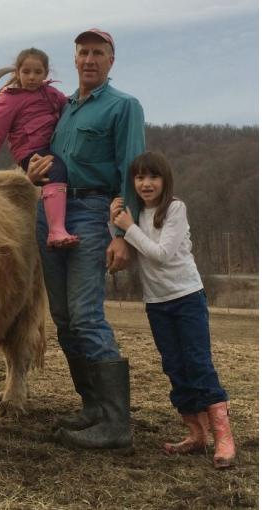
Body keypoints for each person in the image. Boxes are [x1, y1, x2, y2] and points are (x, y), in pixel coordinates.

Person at [26, 28, 145, 449]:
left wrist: (123, 234)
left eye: (98, 53)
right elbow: (49, 161)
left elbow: (131, 171)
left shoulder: (124, 106)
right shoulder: (65, 109)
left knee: (86, 315)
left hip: (94, 213)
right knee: (62, 318)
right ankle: (93, 408)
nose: (89, 59)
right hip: (51, 209)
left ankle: (116, 425)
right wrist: (33, 173)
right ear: (74, 60)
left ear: (111, 61)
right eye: (83, 53)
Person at [111, 151, 236, 469]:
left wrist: (128, 227)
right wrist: (115, 224)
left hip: (186, 297)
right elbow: (134, 252)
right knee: (175, 367)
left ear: (165, 180)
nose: (146, 183)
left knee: (198, 363)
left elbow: (162, 254)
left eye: (153, 177)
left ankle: (224, 437)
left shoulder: (175, 209)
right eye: (139, 177)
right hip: (157, 304)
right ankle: (197, 434)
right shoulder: (136, 214)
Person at [0, 48, 78, 248]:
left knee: (62, 167)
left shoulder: (51, 93)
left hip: (51, 147)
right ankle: (56, 231)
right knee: (55, 170)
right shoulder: (9, 100)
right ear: (17, 72)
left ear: (46, 73)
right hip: (31, 153)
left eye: (38, 72)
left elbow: (70, 107)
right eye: (26, 72)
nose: (31, 77)